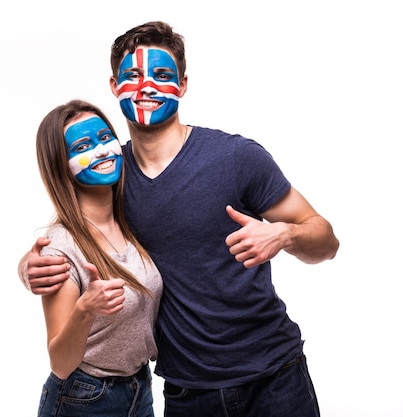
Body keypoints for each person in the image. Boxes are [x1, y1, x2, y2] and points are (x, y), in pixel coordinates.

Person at [19, 22, 340, 417]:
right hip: (190, 391)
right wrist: (30, 266)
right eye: (132, 76)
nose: (147, 87)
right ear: (114, 85)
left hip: (275, 375)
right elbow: (76, 229)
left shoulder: (236, 158)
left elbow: (326, 240)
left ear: (183, 84)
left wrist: (285, 235)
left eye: (163, 75)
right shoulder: (110, 174)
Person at [30, 99, 163, 417]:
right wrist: (85, 309)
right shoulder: (60, 249)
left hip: (139, 389)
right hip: (84, 399)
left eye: (106, 139)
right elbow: (60, 362)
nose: (103, 150)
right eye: (84, 145)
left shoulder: (131, 220)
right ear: (61, 165)